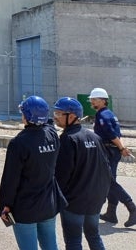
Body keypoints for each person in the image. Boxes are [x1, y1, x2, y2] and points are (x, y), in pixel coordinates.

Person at [0, 95, 66, 250]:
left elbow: (11, 179)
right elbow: (48, 123)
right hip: (48, 203)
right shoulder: (52, 135)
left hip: (25, 207)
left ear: (27, 116)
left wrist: (6, 205)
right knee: (50, 246)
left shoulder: (19, 143)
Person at [53, 97, 112, 250]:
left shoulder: (68, 139)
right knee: (93, 236)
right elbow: (107, 170)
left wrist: (59, 199)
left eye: (59, 113)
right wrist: (101, 196)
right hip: (95, 200)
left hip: (74, 202)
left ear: (71, 116)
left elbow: (62, 175)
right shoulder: (95, 137)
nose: (55, 116)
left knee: (73, 241)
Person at [89, 87, 136, 227]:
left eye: (94, 99)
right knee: (111, 180)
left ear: (103, 101)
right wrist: (120, 148)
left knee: (108, 182)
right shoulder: (110, 114)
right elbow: (116, 134)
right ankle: (111, 213)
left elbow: (110, 134)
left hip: (108, 151)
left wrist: (122, 148)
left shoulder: (102, 115)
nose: (91, 101)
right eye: (91, 99)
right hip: (113, 150)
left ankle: (132, 207)